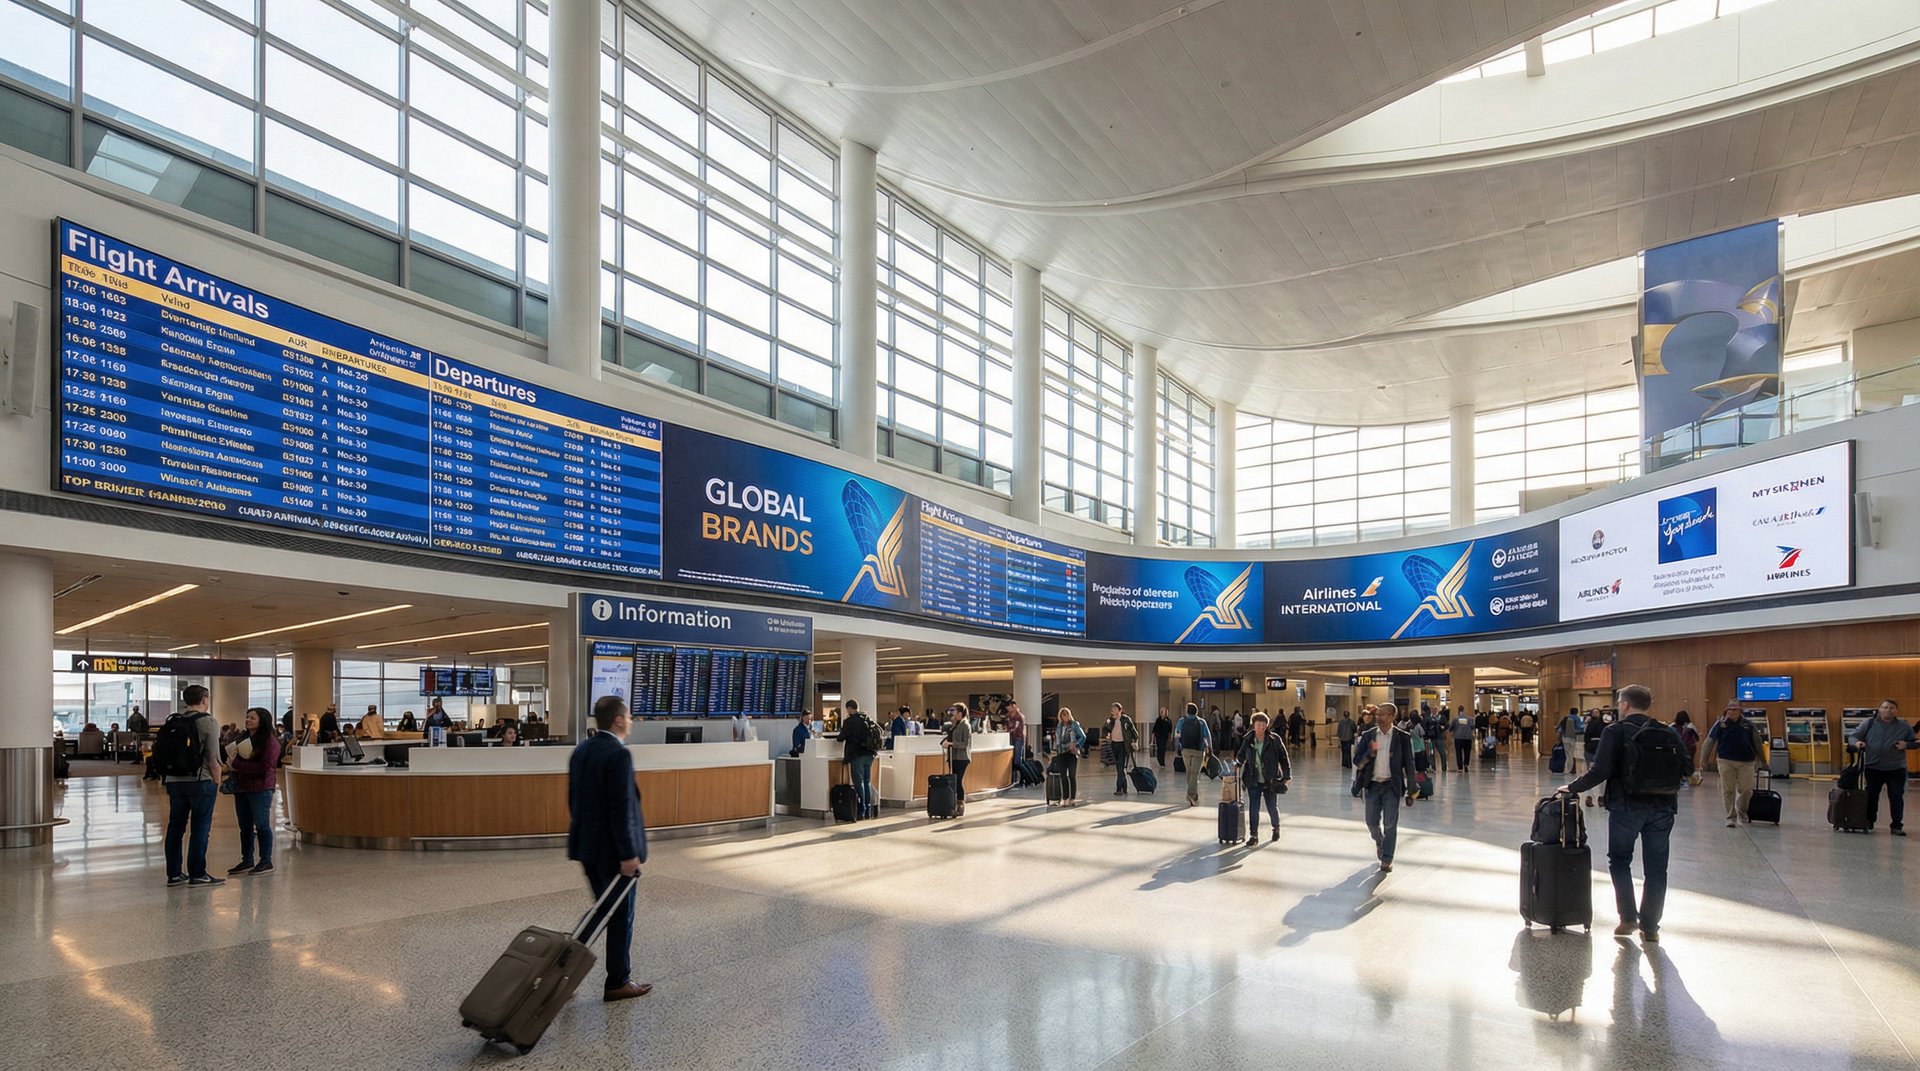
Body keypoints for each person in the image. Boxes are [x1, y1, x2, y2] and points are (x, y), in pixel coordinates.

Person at [1560, 685, 1697, 943]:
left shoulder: (1615, 731)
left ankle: (1628, 918)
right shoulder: (1667, 732)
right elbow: (1687, 767)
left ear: (1624, 704)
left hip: (1626, 806)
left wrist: (1572, 787)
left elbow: (1599, 771)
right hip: (1662, 808)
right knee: (1657, 868)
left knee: (1620, 861)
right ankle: (1651, 927)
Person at [567, 695, 651, 1003]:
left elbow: (573, 800)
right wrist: (628, 854)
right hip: (614, 853)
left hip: (587, 845)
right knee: (619, 914)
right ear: (617, 720)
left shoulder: (582, 750)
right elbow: (621, 808)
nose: (630, 721)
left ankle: (562, 971)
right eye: (628, 716)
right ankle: (618, 981)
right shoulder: (618, 755)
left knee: (604, 910)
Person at [159, 684, 225, 888]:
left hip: (174, 780)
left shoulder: (174, 721)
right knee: (200, 828)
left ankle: (174, 874)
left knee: (175, 827)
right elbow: (213, 758)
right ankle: (197, 873)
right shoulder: (208, 723)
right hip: (200, 780)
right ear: (205, 699)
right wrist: (217, 781)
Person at [1350, 704, 1415, 872]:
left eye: (1383, 715)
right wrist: (1370, 753)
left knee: (1390, 824)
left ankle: (1387, 859)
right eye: (1377, 714)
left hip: (1391, 786)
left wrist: (1413, 788)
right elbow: (1357, 761)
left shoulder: (1403, 737)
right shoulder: (1368, 736)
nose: (1378, 717)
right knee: (1371, 822)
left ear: (1393, 716)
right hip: (1372, 785)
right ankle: (1380, 842)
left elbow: (1409, 764)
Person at [225, 706, 281, 876]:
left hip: (260, 788)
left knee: (262, 825)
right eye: (247, 717)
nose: (248, 720)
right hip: (242, 787)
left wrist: (235, 764)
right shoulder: (243, 738)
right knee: (245, 826)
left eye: (252, 718)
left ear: (262, 721)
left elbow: (265, 767)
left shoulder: (270, 742)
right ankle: (247, 860)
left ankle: (266, 860)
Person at [1847, 699, 1914, 836]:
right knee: (1871, 795)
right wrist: (1857, 743)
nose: (1887, 710)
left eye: (1891, 708)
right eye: (1884, 707)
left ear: (1896, 711)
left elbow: (1915, 741)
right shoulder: (1869, 723)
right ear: (1879, 709)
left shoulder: (1904, 726)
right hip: (1873, 767)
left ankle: (1896, 826)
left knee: (1896, 796)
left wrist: (1907, 745)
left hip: (1896, 768)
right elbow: (1853, 736)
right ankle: (1870, 820)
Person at [1701, 701, 1765, 828]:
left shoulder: (1748, 725)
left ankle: (1742, 811)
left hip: (1746, 762)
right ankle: (1731, 817)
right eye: (1729, 709)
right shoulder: (1720, 725)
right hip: (1725, 760)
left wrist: (1763, 761)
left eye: (1735, 709)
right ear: (1726, 711)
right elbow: (1709, 741)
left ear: (1740, 711)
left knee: (1746, 790)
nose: (1732, 711)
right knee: (1728, 790)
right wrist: (1703, 759)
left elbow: (1757, 742)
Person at [1236, 713, 1292, 846]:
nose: (1261, 727)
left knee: (1272, 807)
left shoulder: (1274, 739)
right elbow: (1241, 754)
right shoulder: (1248, 739)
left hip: (1270, 779)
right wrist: (1237, 764)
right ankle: (1253, 835)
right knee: (1253, 807)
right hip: (1253, 779)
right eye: (1258, 725)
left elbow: (1283, 757)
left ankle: (1276, 827)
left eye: (1263, 725)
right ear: (1253, 725)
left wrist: (1287, 775)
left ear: (1267, 725)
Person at [836, 699, 881, 819]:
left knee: (858, 783)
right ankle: (868, 809)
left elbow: (840, 738)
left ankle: (861, 810)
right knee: (867, 782)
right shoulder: (867, 718)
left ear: (849, 708)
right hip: (870, 754)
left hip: (857, 755)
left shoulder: (850, 721)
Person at [1173, 702, 1211, 807]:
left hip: (1185, 750)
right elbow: (1207, 736)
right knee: (1195, 773)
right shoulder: (1201, 722)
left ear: (1187, 711)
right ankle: (1191, 794)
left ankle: (1193, 793)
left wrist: (1177, 748)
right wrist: (1210, 748)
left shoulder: (1181, 721)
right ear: (1196, 711)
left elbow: (1176, 735)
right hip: (1198, 750)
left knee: (1189, 772)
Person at [1050, 708, 1086, 804]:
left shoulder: (1074, 725)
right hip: (1061, 753)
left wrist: (1076, 745)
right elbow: (1057, 740)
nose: (1064, 717)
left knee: (1072, 776)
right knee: (1063, 776)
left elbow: (1083, 736)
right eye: (1063, 715)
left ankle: (1072, 798)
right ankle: (1065, 797)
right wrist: (1055, 751)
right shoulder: (1059, 726)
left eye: (1066, 715)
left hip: (1071, 753)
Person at [942, 703, 972, 813]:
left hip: (962, 757)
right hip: (953, 756)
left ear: (960, 713)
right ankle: (954, 802)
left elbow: (965, 744)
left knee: (958, 780)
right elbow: (947, 731)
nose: (952, 713)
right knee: (954, 779)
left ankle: (960, 803)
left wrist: (951, 743)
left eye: (954, 711)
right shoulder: (956, 724)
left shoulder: (965, 725)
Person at [1106, 703, 1140, 795]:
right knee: (1119, 767)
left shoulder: (1126, 720)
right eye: (1112, 709)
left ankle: (1119, 788)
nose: (1112, 710)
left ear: (1119, 710)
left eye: (1114, 709)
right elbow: (1105, 729)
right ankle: (1124, 786)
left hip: (1123, 745)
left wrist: (1134, 741)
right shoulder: (1110, 720)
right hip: (1114, 744)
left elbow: (1134, 732)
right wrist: (1107, 735)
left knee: (1121, 766)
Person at [1582, 710, 1609, 803]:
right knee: (1601, 775)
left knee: (1590, 774)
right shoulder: (1604, 725)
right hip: (1599, 750)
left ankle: (1590, 796)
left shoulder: (1589, 724)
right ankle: (1600, 797)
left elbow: (1585, 737)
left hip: (1591, 750)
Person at [1557, 708, 1585, 776]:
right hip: (1572, 738)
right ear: (1577, 712)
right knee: (1571, 754)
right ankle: (1570, 770)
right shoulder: (1576, 718)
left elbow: (1560, 729)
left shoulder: (1565, 718)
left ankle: (1566, 769)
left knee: (1567, 754)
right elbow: (1580, 728)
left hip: (1564, 737)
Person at [1451, 707, 1475, 771]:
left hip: (1458, 738)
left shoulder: (1456, 719)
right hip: (1467, 738)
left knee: (1458, 752)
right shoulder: (1468, 719)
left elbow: (1451, 727)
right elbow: (1472, 727)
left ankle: (1460, 767)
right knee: (1467, 752)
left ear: (1458, 711)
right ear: (1464, 710)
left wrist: (1452, 730)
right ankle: (1466, 764)